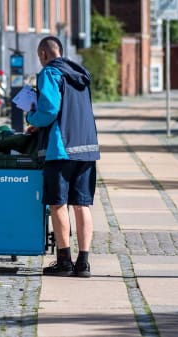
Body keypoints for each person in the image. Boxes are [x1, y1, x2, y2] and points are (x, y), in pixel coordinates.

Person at [26, 36, 100, 277]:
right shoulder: (81, 75)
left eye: (40, 57)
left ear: (44, 55)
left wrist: (32, 119)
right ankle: (84, 262)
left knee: (58, 204)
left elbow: (49, 110)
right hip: (87, 148)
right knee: (82, 204)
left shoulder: (50, 73)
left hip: (60, 149)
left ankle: (65, 261)